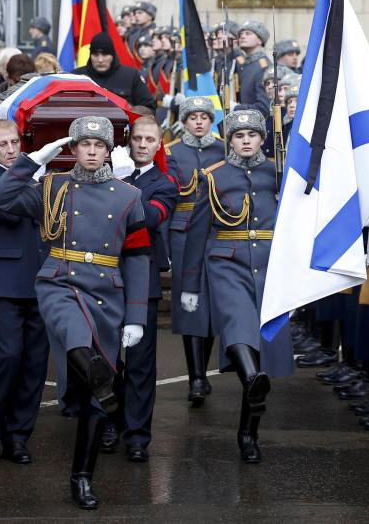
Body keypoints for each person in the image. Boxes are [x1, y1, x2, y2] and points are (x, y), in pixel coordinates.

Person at [0, 116, 150, 509]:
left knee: (96, 399)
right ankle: (98, 376)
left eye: (98, 145)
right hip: (61, 280)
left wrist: (136, 316)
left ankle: (82, 477)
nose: (91, 151)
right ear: (72, 149)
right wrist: (29, 161)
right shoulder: (52, 186)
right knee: (77, 339)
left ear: (109, 150)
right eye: (83, 145)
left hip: (108, 291)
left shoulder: (128, 196)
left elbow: (139, 258)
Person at [180, 109, 293, 463]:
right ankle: (252, 377)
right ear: (229, 140)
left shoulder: (278, 172)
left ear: (262, 138)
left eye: (252, 135)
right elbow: (197, 233)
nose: (245, 141)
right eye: (239, 136)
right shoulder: (213, 176)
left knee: (261, 343)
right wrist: (190, 285)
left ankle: (248, 431)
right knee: (238, 326)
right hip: (226, 262)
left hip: (269, 264)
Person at [0, 120, 49, 464]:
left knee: (35, 363)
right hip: (4, 280)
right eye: (1, 144)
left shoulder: (39, 178)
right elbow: (10, 205)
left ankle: (19, 435)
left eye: (14, 142)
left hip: (43, 281)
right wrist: (34, 179)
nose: (10, 149)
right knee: (7, 355)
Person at [103, 116, 177, 461]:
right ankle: (110, 421)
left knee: (140, 363)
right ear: (129, 141)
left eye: (151, 139)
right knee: (104, 358)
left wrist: (121, 181)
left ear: (159, 144)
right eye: (138, 139)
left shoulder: (164, 183)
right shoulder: (107, 172)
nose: (144, 144)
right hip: (103, 276)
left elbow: (146, 218)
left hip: (141, 280)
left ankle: (137, 435)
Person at [165, 96, 225, 404]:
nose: (199, 121)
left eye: (204, 116)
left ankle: (202, 367)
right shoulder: (171, 152)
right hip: (183, 232)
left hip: (217, 231)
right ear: (184, 121)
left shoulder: (225, 150)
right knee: (190, 303)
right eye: (192, 117)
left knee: (211, 302)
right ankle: (197, 377)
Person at [72, 32, 154, 109]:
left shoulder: (131, 76)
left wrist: (131, 110)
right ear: (90, 55)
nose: (100, 60)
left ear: (112, 55)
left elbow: (148, 108)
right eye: (96, 55)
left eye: (105, 54)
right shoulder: (76, 77)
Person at [232, 21, 271, 115]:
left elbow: (263, 107)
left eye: (248, 33)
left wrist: (236, 108)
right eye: (241, 34)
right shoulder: (243, 64)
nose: (242, 36)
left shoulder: (264, 67)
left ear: (260, 40)